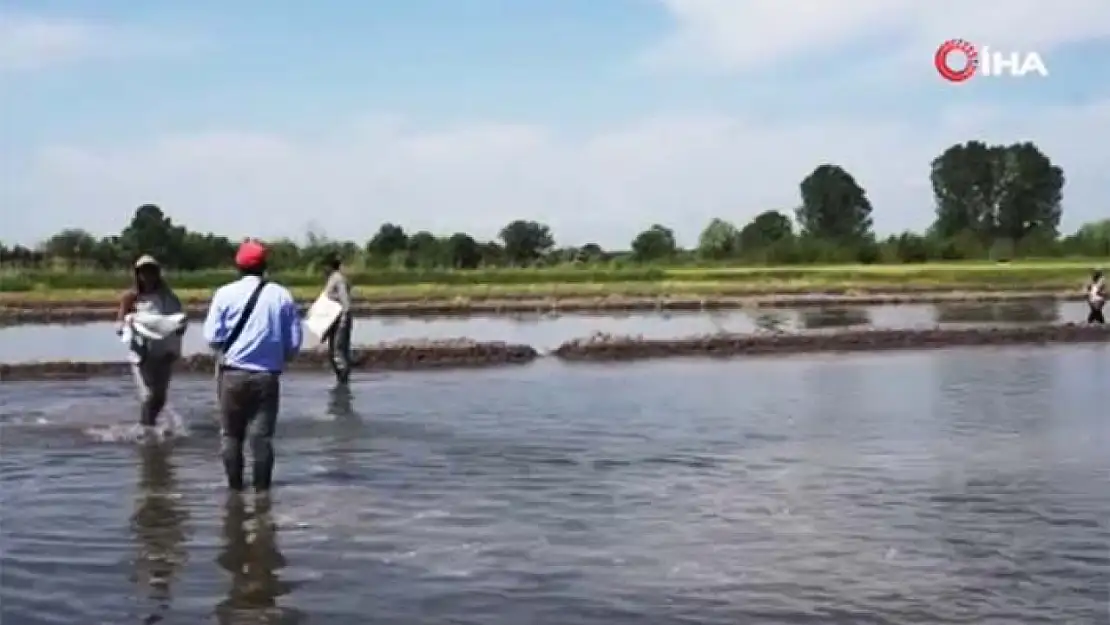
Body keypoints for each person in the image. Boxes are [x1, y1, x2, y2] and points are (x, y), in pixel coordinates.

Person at [202, 240, 302, 493]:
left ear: (238, 266)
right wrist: (278, 358)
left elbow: (213, 338)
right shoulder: (281, 295)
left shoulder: (224, 294)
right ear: (264, 265)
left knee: (231, 436)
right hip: (267, 377)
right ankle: (262, 495)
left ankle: (234, 491)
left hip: (232, 376)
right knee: (262, 439)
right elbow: (294, 342)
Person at [116, 255, 186, 427]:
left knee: (160, 397)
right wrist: (127, 323)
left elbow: (178, 324)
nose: (147, 276)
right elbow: (119, 326)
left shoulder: (169, 297)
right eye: (143, 272)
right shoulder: (130, 297)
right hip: (141, 355)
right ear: (137, 275)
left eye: (151, 271)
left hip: (164, 353)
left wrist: (176, 341)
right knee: (148, 396)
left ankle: (151, 427)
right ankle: (145, 429)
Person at [322, 254, 353, 384]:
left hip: (341, 319)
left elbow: (345, 302)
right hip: (335, 319)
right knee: (337, 352)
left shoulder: (337, 279)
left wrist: (344, 321)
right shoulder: (333, 279)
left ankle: (343, 383)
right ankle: (342, 379)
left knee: (338, 353)